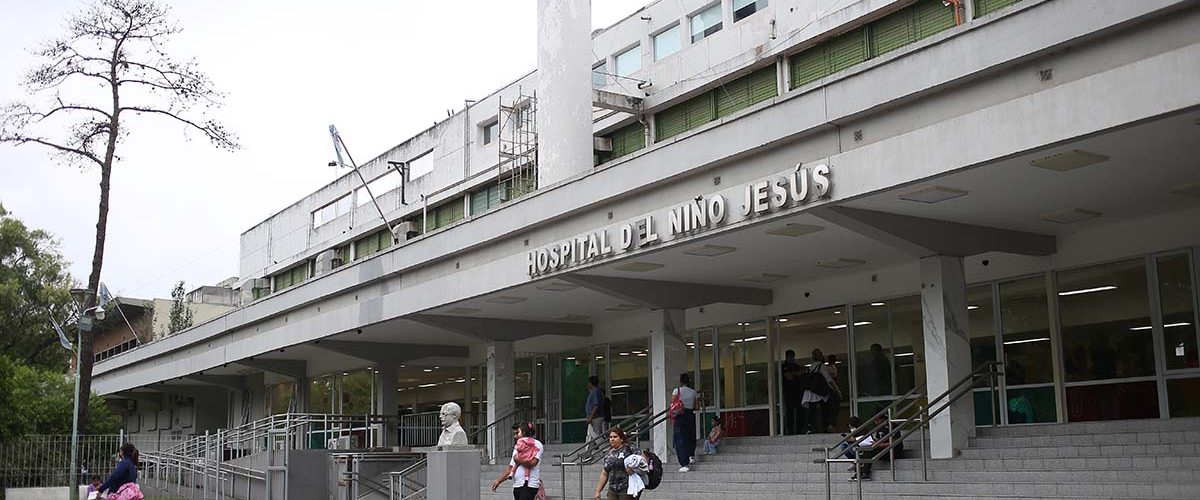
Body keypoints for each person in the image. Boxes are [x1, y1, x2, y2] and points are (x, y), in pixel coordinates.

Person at [490, 422, 544, 500]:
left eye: (517, 433)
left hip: (529, 484)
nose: (515, 436)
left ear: (524, 432)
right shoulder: (518, 447)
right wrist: (498, 481)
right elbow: (511, 467)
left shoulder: (536, 444)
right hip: (517, 484)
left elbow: (533, 463)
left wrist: (518, 460)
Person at [848, 414, 904, 482]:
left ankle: (865, 473)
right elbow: (878, 439)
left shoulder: (892, 426)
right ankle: (859, 472)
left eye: (878, 420)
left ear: (883, 419)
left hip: (893, 451)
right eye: (875, 421)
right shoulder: (880, 427)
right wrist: (873, 441)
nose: (876, 423)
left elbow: (894, 442)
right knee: (863, 449)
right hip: (881, 448)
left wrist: (879, 444)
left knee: (868, 451)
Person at [592, 427, 641, 500]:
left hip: (628, 489)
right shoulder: (609, 454)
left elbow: (643, 462)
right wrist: (598, 491)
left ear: (621, 439)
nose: (612, 439)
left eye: (615, 437)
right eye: (611, 437)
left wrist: (634, 470)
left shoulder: (629, 449)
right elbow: (604, 473)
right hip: (612, 490)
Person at [801, 349, 835, 433]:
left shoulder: (810, 367)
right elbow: (828, 379)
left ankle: (810, 428)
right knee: (825, 409)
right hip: (819, 392)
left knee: (812, 411)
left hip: (811, 392)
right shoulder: (821, 366)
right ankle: (825, 426)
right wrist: (836, 389)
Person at [671, 372, 698, 472]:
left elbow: (673, 404)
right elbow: (696, 407)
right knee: (690, 435)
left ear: (680, 381)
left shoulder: (676, 391)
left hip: (679, 415)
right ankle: (691, 455)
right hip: (690, 415)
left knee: (680, 439)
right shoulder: (693, 392)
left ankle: (684, 463)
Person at [781, 350, 804, 435]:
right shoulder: (783, 366)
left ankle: (799, 430)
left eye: (792, 357)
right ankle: (790, 431)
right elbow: (789, 376)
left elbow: (801, 373)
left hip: (798, 392)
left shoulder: (796, 366)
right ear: (787, 357)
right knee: (790, 412)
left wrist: (795, 373)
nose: (792, 358)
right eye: (790, 357)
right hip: (788, 393)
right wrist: (796, 373)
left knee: (800, 412)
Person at [823, 354, 844, 432]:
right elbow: (831, 381)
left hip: (834, 392)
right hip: (832, 392)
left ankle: (832, 425)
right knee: (832, 409)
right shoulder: (828, 369)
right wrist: (838, 391)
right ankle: (830, 425)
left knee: (834, 410)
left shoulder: (833, 367)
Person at [586, 376, 606, 445]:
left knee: (596, 434)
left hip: (596, 417)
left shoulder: (595, 392)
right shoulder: (597, 391)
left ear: (590, 383)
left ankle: (602, 446)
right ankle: (591, 449)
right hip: (596, 417)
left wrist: (591, 416)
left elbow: (596, 405)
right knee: (592, 435)